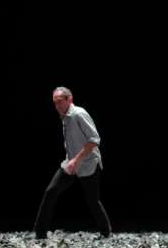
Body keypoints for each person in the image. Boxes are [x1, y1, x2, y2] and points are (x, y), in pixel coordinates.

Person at [33, 87, 111, 239]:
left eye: (60, 102)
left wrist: (77, 159)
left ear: (70, 99)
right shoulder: (65, 116)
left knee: (92, 201)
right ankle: (40, 233)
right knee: (51, 192)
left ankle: (105, 232)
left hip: (88, 163)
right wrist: (72, 160)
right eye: (54, 103)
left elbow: (95, 140)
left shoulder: (78, 114)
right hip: (70, 163)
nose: (57, 106)